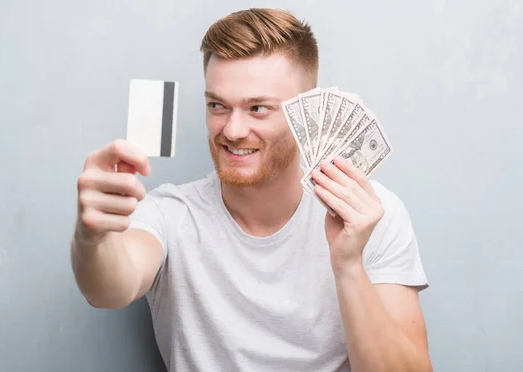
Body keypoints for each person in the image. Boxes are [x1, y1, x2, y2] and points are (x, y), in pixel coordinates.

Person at [70, 8, 432, 372]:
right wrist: (93, 237)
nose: (233, 130)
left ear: (307, 114)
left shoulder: (373, 215)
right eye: (217, 106)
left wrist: (349, 264)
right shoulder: (171, 213)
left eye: (258, 108)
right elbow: (108, 289)